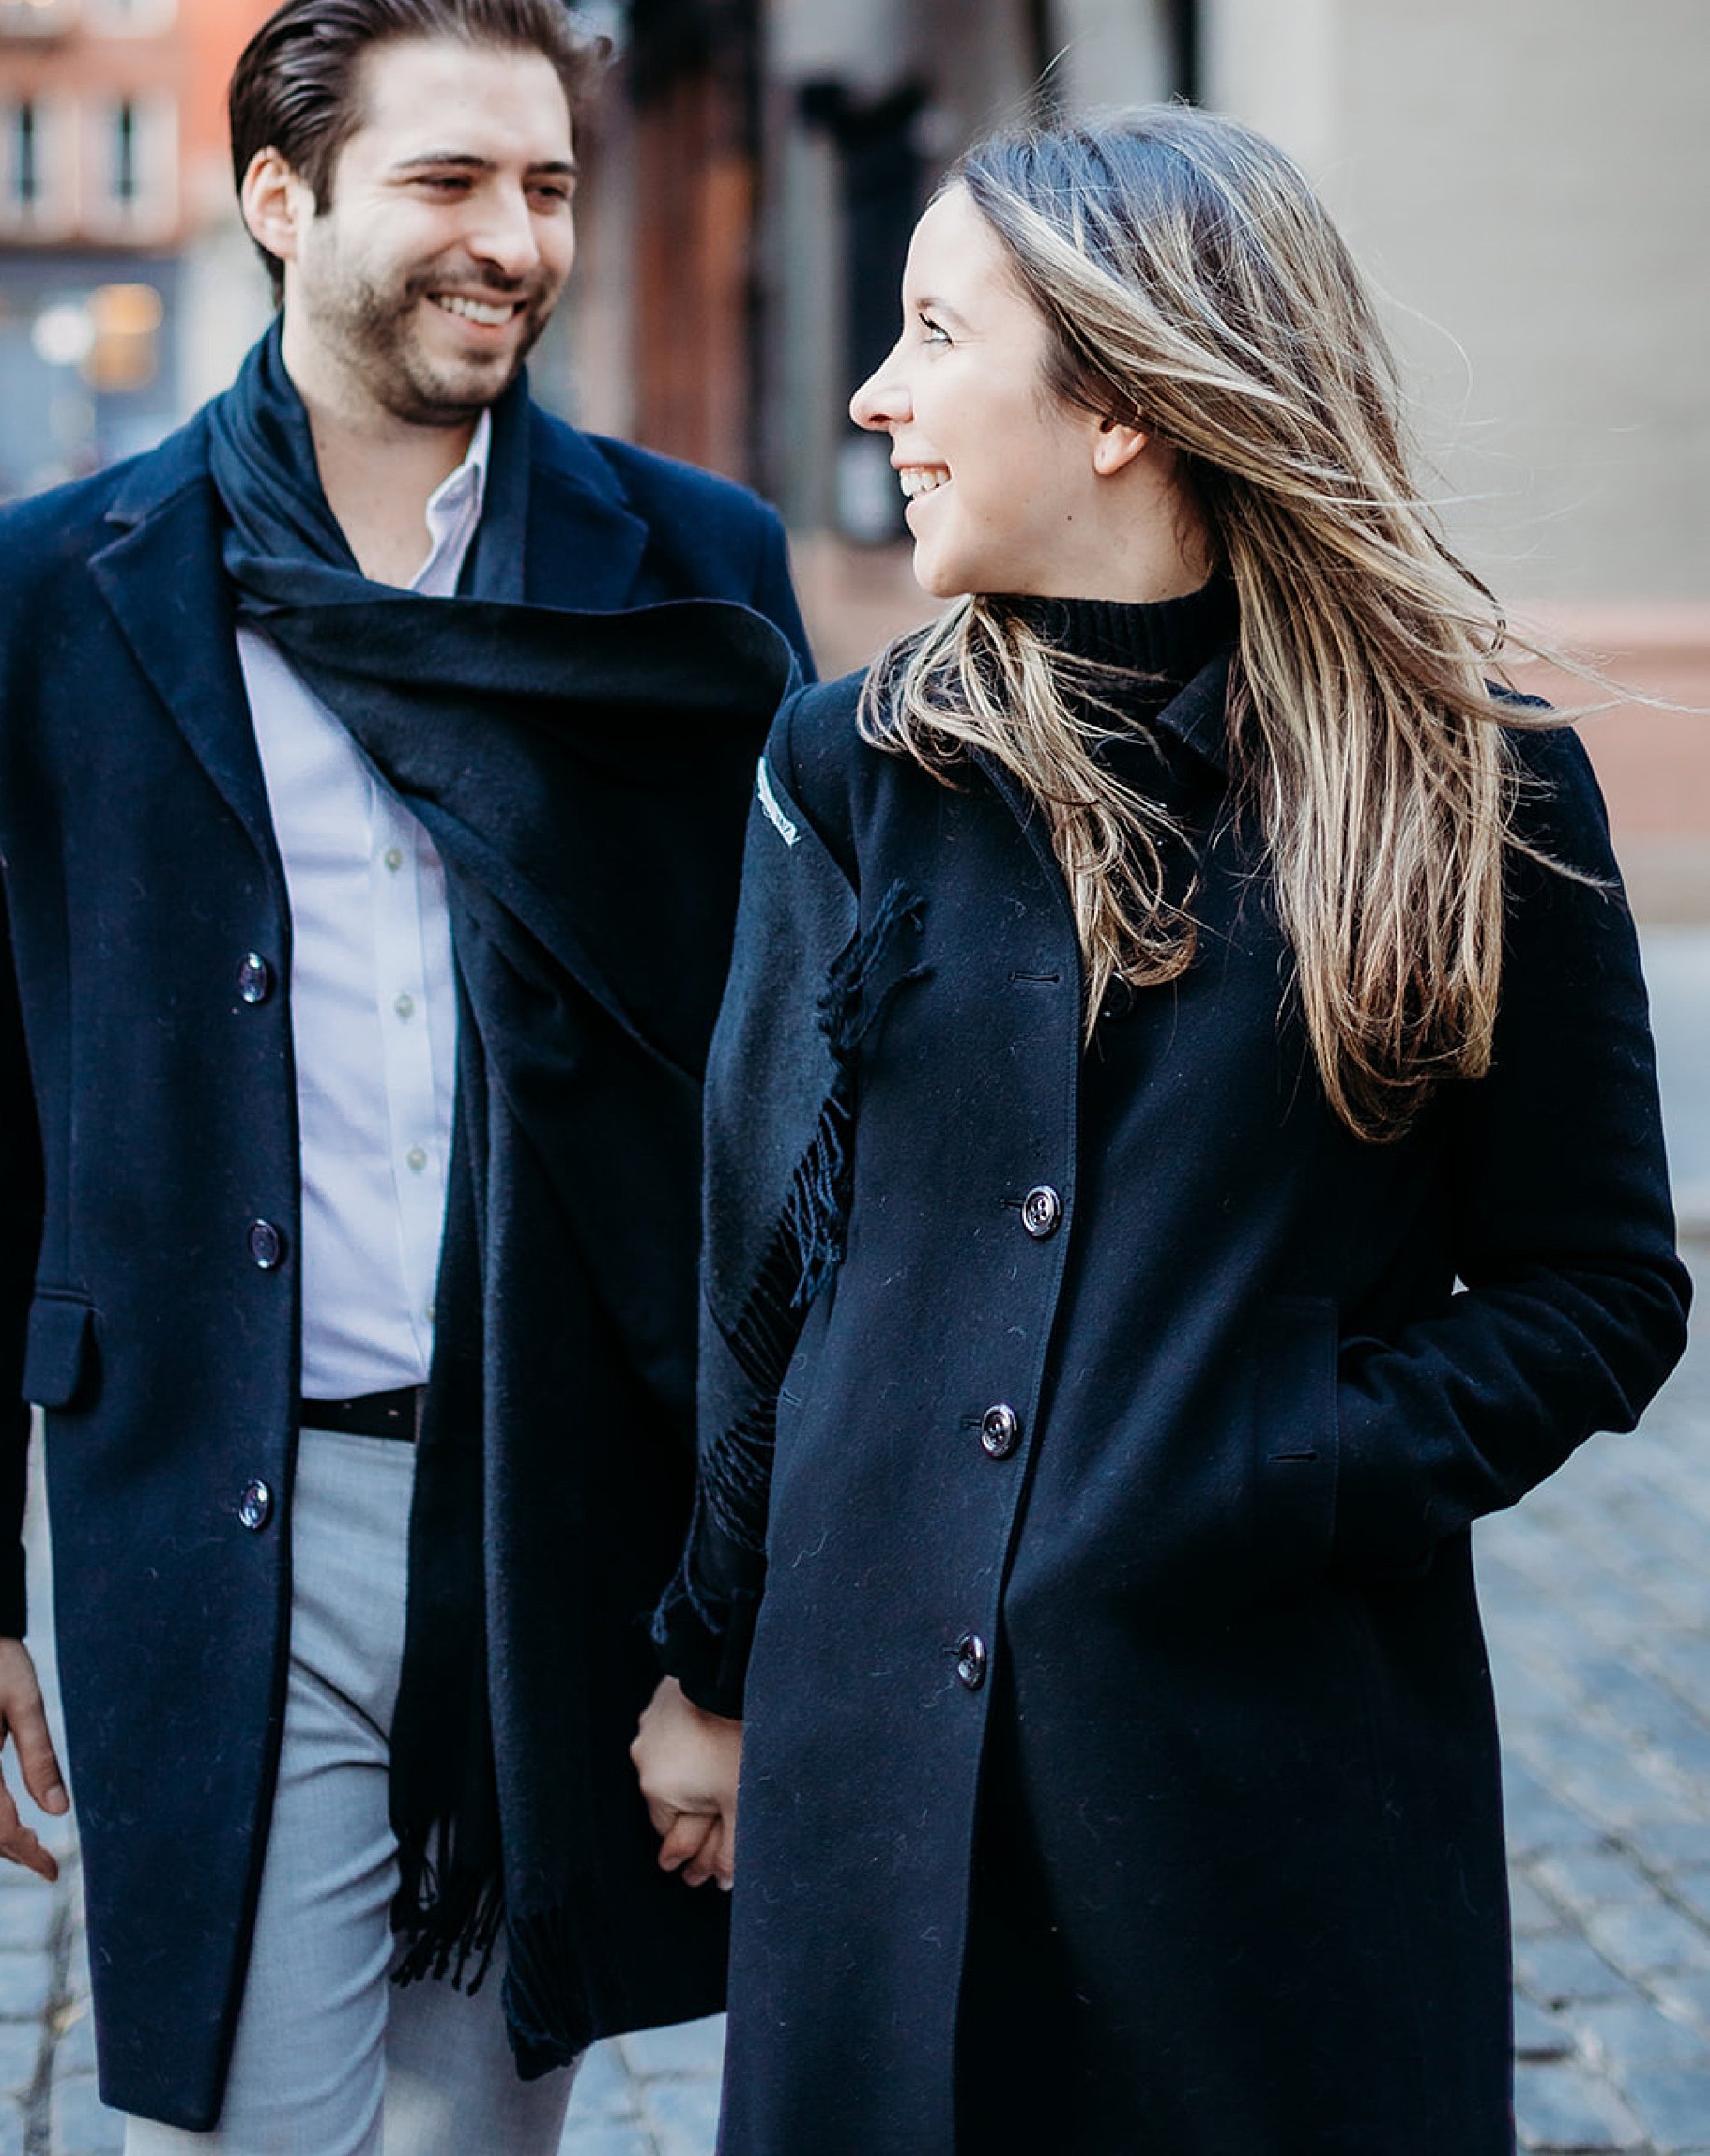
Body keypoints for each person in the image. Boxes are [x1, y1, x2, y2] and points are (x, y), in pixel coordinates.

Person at [634, 106, 1688, 2155]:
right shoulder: (851, 770)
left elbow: (1599, 1284)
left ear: (1118, 398)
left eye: (935, 337)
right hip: (875, 1798)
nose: (877, 396)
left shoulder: (1474, 790)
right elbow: (769, 1262)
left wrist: (1274, 1467)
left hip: (1260, 1790)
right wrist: (716, 1656)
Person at [0, 0, 810, 2155]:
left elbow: (780, 1133)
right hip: (210, 1492)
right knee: (242, 2130)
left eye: (552, 188)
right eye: (451, 177)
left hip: (558, 1512)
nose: (515, 241)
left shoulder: (686, 571)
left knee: (482, 2135)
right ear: (282, 198)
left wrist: (746, 1624)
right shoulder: (60, 585)